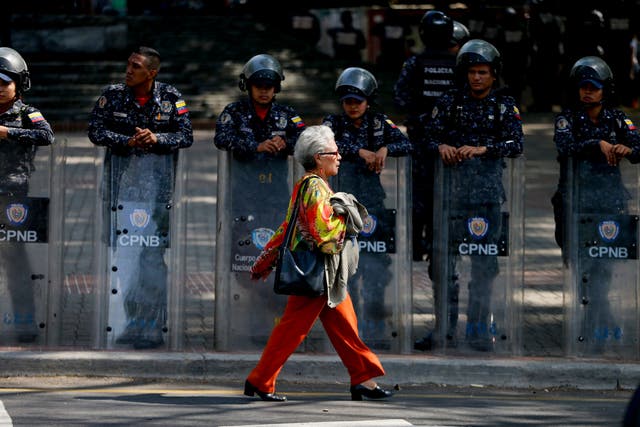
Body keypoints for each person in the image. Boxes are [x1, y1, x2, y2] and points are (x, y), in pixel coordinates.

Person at [246, 125, 393, 402]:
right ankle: (260, 380)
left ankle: (362, 378)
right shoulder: (314, 187)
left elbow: (286, 227)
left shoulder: (311, 185)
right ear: (318, 158)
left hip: (324, 273)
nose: (339, 156)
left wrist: (263, 262)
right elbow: (324, 236)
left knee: (344, 325)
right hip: (317, 272)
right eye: (333, 152)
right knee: (292, 330)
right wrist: (349, 219)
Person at [88, 46, 193, 349]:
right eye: (128, 65)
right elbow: (94, 130)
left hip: (158, 194)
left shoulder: (171, 97)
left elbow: (186, 136)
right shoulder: (113, 94)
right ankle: (131, 320)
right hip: (120, 192)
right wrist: (128, 140)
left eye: (136, 66)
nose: (129, 70)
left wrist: (157, 138)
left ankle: (151, 323)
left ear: (152, 72)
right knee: (124, 257)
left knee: (151, 257)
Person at [424, 39, 524, 351]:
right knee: (444, 266)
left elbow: (516, 144)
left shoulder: (504, 105)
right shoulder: (450, 101)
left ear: (494, 75)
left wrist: (483, 149)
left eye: (483, 72)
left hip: (486, 199)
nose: (476, 77)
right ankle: (445, 330)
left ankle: (479, 330)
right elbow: (426, 137)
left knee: (484, 267)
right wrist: (440, 146)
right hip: (451, 198)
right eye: (472, 72)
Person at [552, 56, 640, 350]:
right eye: (583, 86)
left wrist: (627, 148)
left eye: (594, 87)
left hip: (609, 207)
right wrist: (597, 144)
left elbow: (637, 146)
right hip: (575, 206)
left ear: (605, 90)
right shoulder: (568, 118)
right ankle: (601, 327)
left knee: (603, 272)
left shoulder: (617, 119)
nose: (587, 92)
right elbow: (566, 146)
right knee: (583, 270)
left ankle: (598, 330)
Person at [322, 67, 411, 346]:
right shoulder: (333, 123)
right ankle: (349, 323)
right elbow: (324, 144)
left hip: (372, 205)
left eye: (357, 101)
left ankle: (374, 322)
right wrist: (359, 151)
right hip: (340, 205)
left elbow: (405, 144)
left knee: (376, 266)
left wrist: (384, 149)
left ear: (368, 101)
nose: (352, 106)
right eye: (348, 101)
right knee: (343, 268)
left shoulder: (379, 123)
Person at [393, 10, 456, 266]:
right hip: (452, 146)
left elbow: (400, 98)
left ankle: (417, 245)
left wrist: (421, 116)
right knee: (448, 195)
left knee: (418, 195)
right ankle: (441, 242)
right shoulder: (459, 65)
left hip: (420, 144)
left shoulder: (414, 63)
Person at [0, 47, 54, 343]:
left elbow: (47, 136)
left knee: (15, 261)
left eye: (4, 83)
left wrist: (7, 133)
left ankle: (24, 321)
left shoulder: (26, 113)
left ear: (19, 85)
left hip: (12, 197)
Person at [214, 53, 305, 160]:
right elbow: (221, 138)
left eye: (269, 86)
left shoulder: (287, 113)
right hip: (241, 175)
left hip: (277, 174)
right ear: (248, 87)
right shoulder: (234, 111)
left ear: (275, 89)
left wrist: (285, 142)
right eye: (258, 86)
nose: (264, 91)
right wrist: (255, 146)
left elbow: (305, 138)